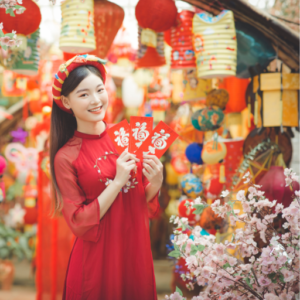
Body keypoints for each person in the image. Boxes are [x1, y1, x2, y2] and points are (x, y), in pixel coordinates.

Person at [49, 54, 162, 300]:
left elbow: (142, 202)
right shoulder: (66, 157)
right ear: (66, 102)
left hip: (134, 251)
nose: (96, 100)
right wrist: (118, 181)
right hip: (96, 260)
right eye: (83, 94)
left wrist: (156, 183)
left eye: (100, 90)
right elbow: (78, 220)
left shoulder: (129, 136)